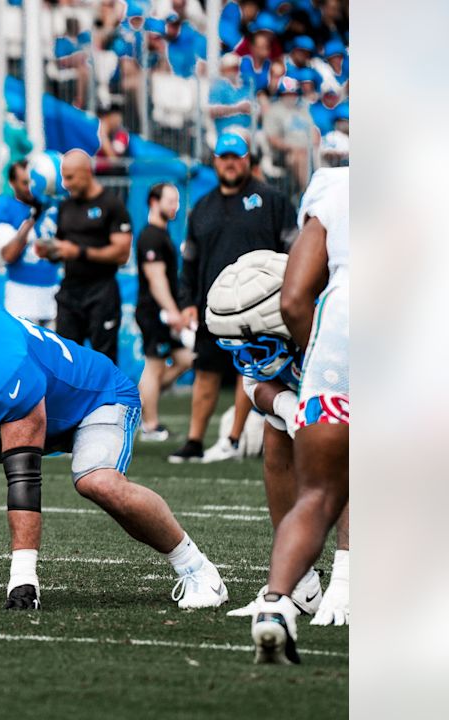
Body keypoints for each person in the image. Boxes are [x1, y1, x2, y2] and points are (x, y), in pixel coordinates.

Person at [0, 261, 227, 610]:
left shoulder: (1, 361)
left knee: (98, 481)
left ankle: (197, 569)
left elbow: (23, 478)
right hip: (22, 412)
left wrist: (22, 578)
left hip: (94, 401)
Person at [204, 250, 349, 626]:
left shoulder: (339, 329)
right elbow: (253, 383)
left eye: (256, 345)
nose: (249, 357)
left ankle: (351, 577)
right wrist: (287, 408)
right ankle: (300, 582)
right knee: (276, 436)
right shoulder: (277, 340)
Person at [249, 167, 350, 664]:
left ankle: (275, 606)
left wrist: (317, 364)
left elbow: (292, 298)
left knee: (319, 492)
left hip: (337, 343)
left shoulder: (335, 184)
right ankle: (352, 583)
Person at [170, 133, 296, 463]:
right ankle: (195, 441)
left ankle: (233, 439)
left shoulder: (272, 200)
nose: (229, 162)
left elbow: (294, 250)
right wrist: (187, 302)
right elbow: (191, 260)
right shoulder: (203, 207)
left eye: (235, 156)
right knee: (206, 372)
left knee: (251, 370)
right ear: (215, 161)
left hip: (261, 309)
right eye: (223, 157)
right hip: (215, 308)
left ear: (247, 160)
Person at [36, 150, 132, 363]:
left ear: (87, 172)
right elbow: (62, 247)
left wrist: (79, 252)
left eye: (70, 177)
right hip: (70, 292)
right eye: (63, 176)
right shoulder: (66, 206)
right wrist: (50, 251)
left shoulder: (111, 204)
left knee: (103, 361)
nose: (65, 183)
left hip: (101, 292)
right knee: (66, 360)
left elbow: (122, 253)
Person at [135, 183, 193, 442]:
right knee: (154, 366)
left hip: (164, 312)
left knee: (186, 360)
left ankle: (139, 404)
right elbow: (156, 280)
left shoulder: (163, 234)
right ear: (153, 202)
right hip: (153, 312)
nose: (175, 206)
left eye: (177, 201)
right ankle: (150, 424)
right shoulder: (150, 236)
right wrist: (174, 313)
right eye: (170, 200)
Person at [0, 155, 63, 327]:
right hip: (22, 297)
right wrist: (30, 221)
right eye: (25, 182)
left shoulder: (54, 206)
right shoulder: (4, 208)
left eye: (33, 181)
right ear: (12, 182)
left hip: (54, 294)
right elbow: (9, 254)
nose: (30, 188)